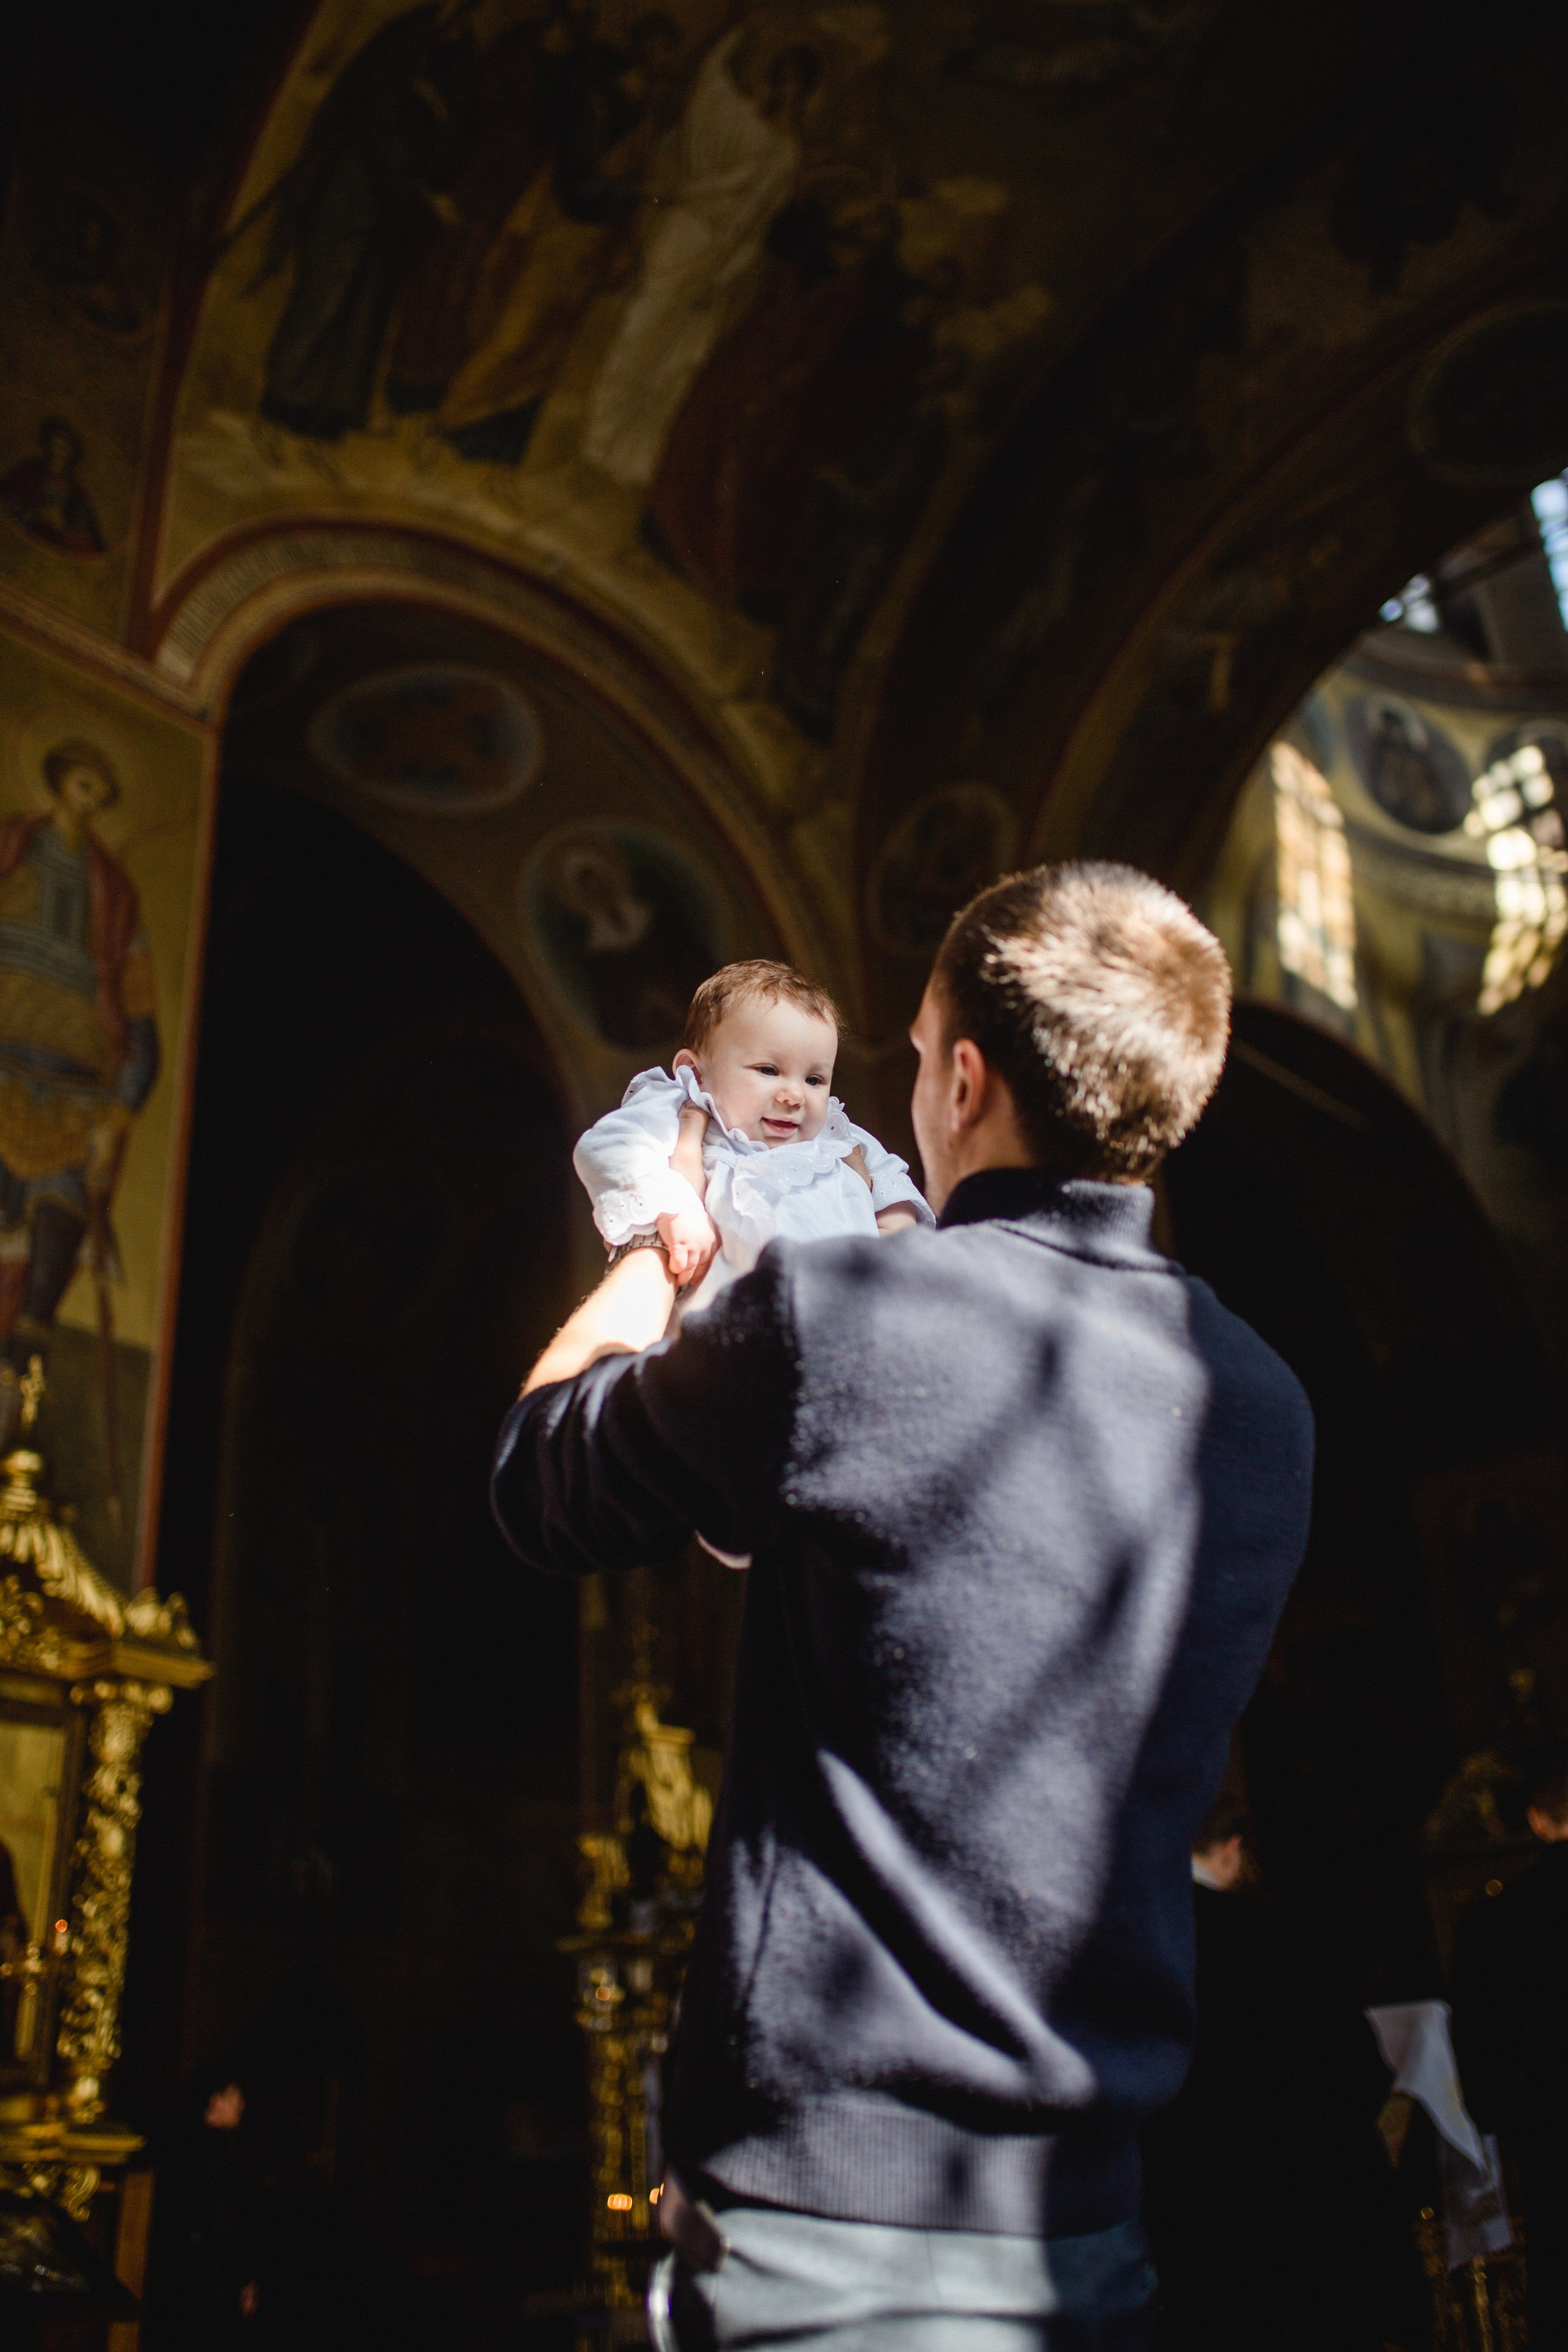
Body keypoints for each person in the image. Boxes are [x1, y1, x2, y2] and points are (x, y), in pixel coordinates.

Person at [492, 861, 1314, 2349]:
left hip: (827, 2214)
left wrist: (655, 1239)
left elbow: (541, 1477)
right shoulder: (1261, 1406)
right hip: (1098, 2216)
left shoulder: (838, 1322)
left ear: (958, 1076)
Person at [1142, 1795, 1406, 2350]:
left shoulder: (1139, 1945)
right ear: (1232, 1849)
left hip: (1191, 2224)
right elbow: (1359, 2070)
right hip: (1305, 2218)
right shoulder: (1279, 1931)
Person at [572, 959, 930, 1310]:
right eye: (769, 1070)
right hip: (738, 1329)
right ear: (696, 1074)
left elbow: (889, 1177)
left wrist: (891, 1234)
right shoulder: (685, 1110)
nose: (794, 1096)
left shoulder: (834, 1134)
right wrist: (677, 1209)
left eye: (814, 1079)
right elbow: (608, 1146)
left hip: (850, 1311)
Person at [0, 739, 159, 1371]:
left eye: (100, 792)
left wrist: (120, 1115)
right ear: (60, 783)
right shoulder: (12, 847)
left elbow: (141, 1010)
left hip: (74, 1086)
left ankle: (22, 1357)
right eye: (82, 785)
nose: (89, 800)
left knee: (61, 1214)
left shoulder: (114, 892)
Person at [1451, 1742, 1568, 2350]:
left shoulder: (1494, 1921)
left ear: (1536, 1820)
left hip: (1551, 2121)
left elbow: (1476, 2040)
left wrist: (1506, 2118)